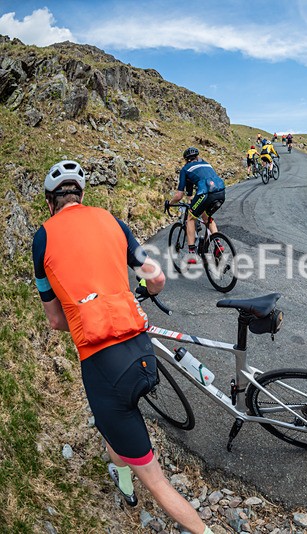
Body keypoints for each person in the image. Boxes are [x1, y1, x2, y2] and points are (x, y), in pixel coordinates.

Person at [32, 160, 213, 534]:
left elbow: (54, 320)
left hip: (103, 364)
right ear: (81, 195)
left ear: (51, 202)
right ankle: (125, 483)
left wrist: (85, 316)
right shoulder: (112, 221)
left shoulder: (43, 237)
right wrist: (137, 295)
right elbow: (157, 278)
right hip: (142, 351)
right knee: (114, 429)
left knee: (158, 481)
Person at [167, 147, 226, 264]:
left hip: (206, 193)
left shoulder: (185, 169)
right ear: (197, 157)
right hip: (221, 192)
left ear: (186, 160)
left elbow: (179, 195)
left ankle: (192, 253)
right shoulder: (206, 164)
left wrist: (170, 203)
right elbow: (190, 193)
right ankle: (218, 244)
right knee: (207, 217)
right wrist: (191, 200)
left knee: (190, 218)